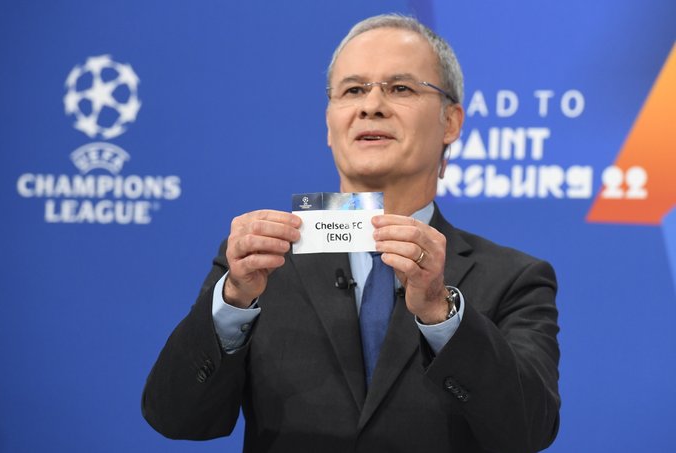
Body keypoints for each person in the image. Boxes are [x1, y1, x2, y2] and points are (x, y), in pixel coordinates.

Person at [142, 14, 560, 453]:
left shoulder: (515, 278)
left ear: (451, 121)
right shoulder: (259, 263)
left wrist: (441, 313)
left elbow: (529, 429)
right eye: (354, 90)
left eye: (401, 88)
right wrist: (232, 303)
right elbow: (174, 416)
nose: (371, 105)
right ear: (329, 123)